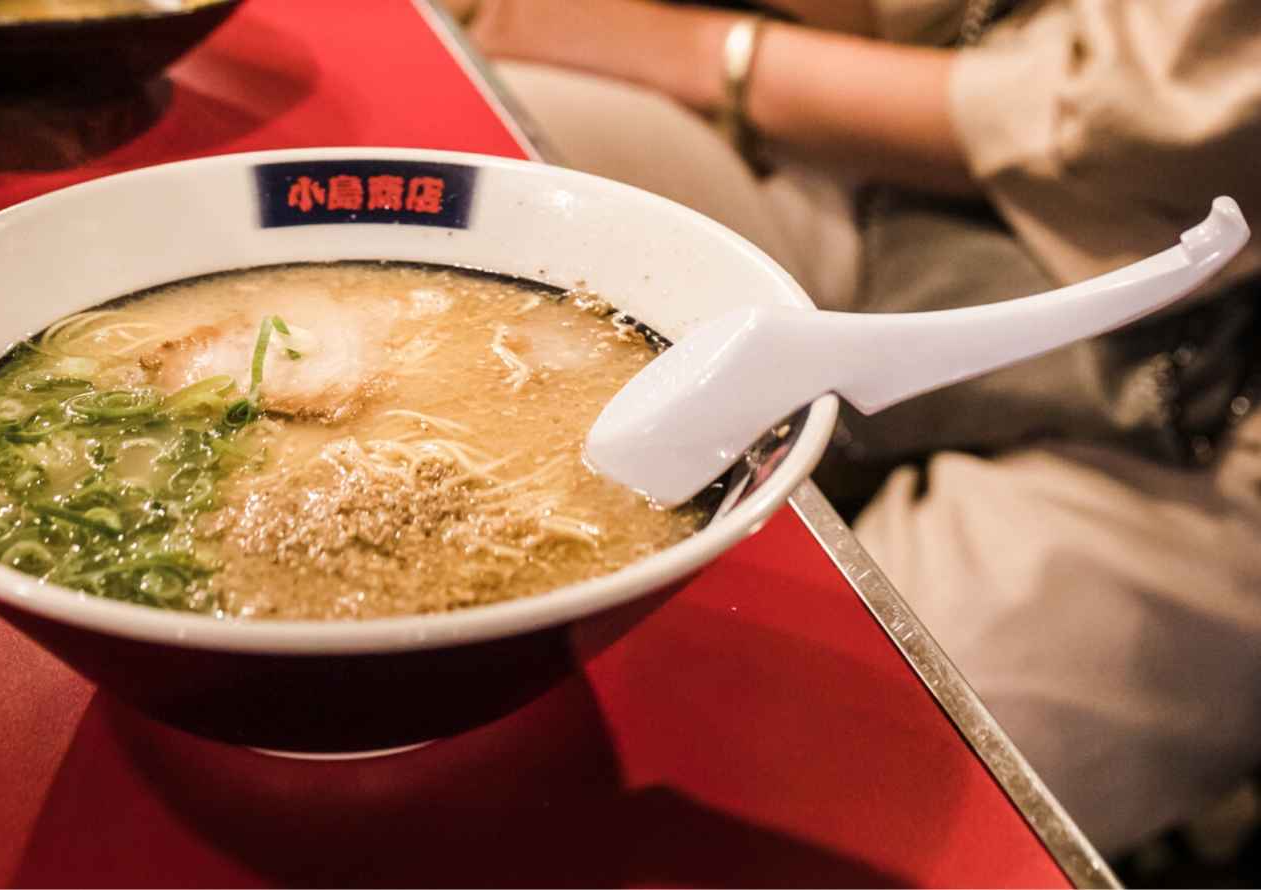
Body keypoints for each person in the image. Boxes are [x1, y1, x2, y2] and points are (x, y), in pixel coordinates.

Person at [443, 0, 1261, 857]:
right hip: (885, 184)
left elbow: (1144, 116)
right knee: (475, 157)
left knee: (839, 776)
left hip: (1216, 417)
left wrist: (701, 50)